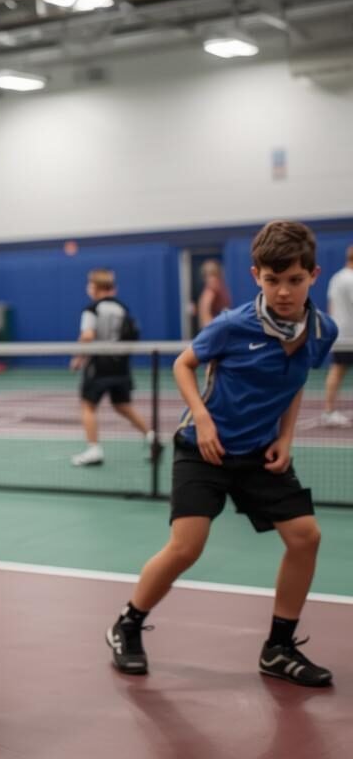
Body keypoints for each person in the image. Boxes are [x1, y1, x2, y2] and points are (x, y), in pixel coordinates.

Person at [106, 221, 337, 687]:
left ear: (313, 274)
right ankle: (126, 624)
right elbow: (183, 364)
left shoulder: (320, 331)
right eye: (273, 281)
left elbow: (295, 385)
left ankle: (278, 647)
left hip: (258, 455)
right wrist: (203, 417)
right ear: (256, 276)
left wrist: (286, 438)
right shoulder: (234, 324)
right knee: (187, 547)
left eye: (294, 280)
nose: (284, 292)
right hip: (203, 449)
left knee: (305, 537)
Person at [70, 268, 154, 467]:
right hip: (121, 366)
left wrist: (78, 357)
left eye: (90, 285)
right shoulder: (122, 308)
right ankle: (152, 437)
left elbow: (88, 335)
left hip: (98, 366)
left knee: (87, 406)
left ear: (97, 287)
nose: (88, 288)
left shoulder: (92, 309)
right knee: (122, 405)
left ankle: (93, 450)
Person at [322, 246, 353, 427]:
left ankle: (328, 410)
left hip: (339, 333)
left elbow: (331, 305)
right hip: (350, 335)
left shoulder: (336, 277)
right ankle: (328, 412)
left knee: (337, 370)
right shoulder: (350, 279)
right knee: (337, 370)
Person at [197, 258, 232, 330]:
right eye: (208, 275)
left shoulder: (221, 288)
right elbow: (205, 313)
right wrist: (211, 330)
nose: (211, 279)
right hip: (214, 330)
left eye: (214, 274)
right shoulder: (210, 290)